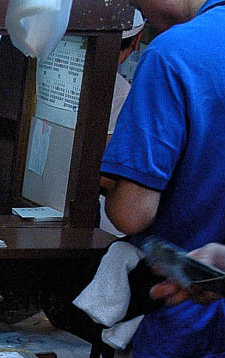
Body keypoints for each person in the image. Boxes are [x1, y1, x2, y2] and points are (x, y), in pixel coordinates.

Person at [101, 0, 225, 358]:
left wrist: (110, 180)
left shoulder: (175, 54)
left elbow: (133, 214)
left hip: (176, 328)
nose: (137, 10)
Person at [98, 10, 145, 235]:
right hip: (102, 212)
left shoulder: (117, 89)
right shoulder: (120, 92)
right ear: (136, 41)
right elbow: (107, 175)